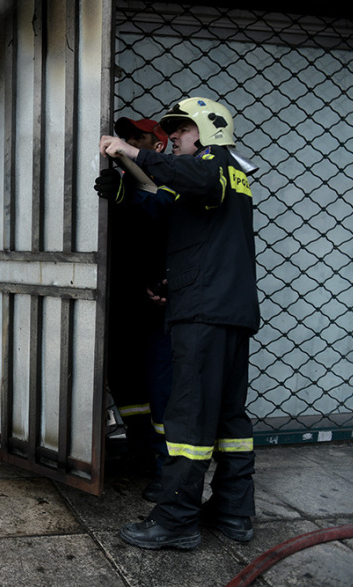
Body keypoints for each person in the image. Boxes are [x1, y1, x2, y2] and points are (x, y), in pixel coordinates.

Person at [99, 97, 260, 550]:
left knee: (188, 419)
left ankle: (176, 520)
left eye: (182, 132)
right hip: (226, 309)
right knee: (229, 419)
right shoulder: (224, 178)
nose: (173, 142)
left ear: (209, 131)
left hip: (204, 316)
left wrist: (132, 153)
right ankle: (233, 513)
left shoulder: (214, 164)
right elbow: (184, 225)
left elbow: (187, 176)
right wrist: (174, 281)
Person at [96, 118, 173, 502]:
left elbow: (163, 208)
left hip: (159, 308)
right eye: (124, 137)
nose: (126, 142)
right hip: (122, 303)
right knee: (125, 383)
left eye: (137, 138)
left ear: (156, 147)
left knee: (161, 390)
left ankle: (166, 472)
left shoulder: (175, 180)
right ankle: (142, 454)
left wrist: (127, 196)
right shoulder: (120, 181)